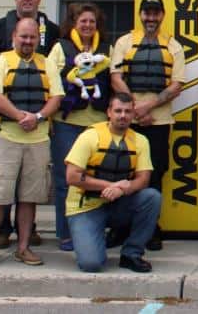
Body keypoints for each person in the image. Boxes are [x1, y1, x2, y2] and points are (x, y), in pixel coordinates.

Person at [0, 0, 60, 249]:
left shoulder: (51, 38)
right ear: (13, 37)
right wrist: (17, 115)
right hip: (6, 130)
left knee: (30, 194)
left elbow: (57, 94)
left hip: (38, 134)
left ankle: (25, 241)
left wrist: (36, 118)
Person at [110, 0, 186, 251]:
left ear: (162, 15)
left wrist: (148, 107)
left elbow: (176, 85)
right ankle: (120, 227)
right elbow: (116, 77)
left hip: (159, 120)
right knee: (121, 171)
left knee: (154, 174)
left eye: (155, 13)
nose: (151, 18)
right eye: (147, 13)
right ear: (140, 15)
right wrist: (134, 109)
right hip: (125, 120)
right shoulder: (124, 42)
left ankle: (150, 228)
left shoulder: (173, 46)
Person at [64, 92, 161, 273]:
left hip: (118, 203)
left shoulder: (140, 141)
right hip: (86, 207)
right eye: (118, 111)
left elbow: (144, 179)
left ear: (133, 114)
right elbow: (72, 177)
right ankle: (92, 236)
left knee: (152, 197)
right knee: (91, 264)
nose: (123, 116)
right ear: (109, 112)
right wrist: (110, 186)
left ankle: (132, 254)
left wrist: (126, 189)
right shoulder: (90, 136)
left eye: (127, 111)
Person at [46, 2, 111, 252]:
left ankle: (93, 231)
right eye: (82, 21)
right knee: (66, 180)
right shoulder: (60, 48)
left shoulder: (107, 49)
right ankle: (65, 233)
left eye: (91, 21)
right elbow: (51, 82)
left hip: (98, 125)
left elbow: (114, 80)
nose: (87, 25)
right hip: (67, 123)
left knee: (97, 180)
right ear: (73, 23)